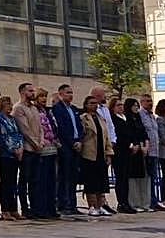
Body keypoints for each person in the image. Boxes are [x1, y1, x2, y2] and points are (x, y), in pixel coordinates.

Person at [78, 95, 113, 216]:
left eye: (96, 103)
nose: (94, 105)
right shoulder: (83, 118)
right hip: (89, 153)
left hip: (101, 153)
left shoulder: (101, 118)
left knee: (101, 181)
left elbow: (106, 137)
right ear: (86, 105)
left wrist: (109, 153)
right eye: (91, 103)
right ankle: (92, 206)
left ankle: (100, 204)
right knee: (90, 181)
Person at [51, 84, 82, 216]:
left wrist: (79, 139)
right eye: (67, 93)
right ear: (60, 94)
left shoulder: (74, 109)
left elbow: (79, 127)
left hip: (76, 145)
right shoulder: (57, 109)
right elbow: (61, 128)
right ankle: (63, 203)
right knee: (64, 176)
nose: (70, 95)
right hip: (65, 146)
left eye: (71, 92)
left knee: (74, 176)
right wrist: (71, 142)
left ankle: (72, 203)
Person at [11, 83, 40, 218]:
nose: (33, 93)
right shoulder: (18, 108)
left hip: (37, 149)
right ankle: (24, 208)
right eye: (30, 90)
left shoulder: (34, 108)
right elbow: (25, 129)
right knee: (24, 180)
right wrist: (35, 144)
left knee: (35, 180)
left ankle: (35, 206)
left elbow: (39, 128)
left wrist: (41, 142)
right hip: (28, 149)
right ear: (22, 92)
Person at [0, 96, 23, 220]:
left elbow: (18, 133)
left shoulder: (12, 119)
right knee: (6, 182)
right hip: (6, 154)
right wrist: (12, 149)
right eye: (6, 104)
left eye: (10, 104)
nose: (10, 107)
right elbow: (2, 137)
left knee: (13, 182)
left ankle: (14, 209)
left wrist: (20, 148)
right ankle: (5, 209)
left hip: (16, 154)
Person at [32, 87, 60, 219]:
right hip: (41, 148)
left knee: (51, 180)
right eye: (41, 96)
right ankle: (41, 208)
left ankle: (51, 207)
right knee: (41, 180)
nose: (43, 99)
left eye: (45, 96)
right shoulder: (34, 111)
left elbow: (53, 127)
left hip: (52, 148)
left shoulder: (47, 112)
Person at [108, 98, 138, 214]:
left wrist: (135, 144)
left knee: (126, 177)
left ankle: (126, 201)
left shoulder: (126, 118)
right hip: (120, 151)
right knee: (120, 178)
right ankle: (121, 202)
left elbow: (132, 133)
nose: (120, 107)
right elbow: (119, 135)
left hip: (128, 152)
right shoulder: (114, 119)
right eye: (118, 105)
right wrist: (129, 144)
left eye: (121, 105)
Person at [120, 98, 151, 212]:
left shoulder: (138, 118)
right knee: (133, 178)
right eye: (134, 106)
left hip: (142, 149)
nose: (136, 108)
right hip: (133, 150)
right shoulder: (127, 118)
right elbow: (130, 134)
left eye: (137, 106)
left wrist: (146, 146)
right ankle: (134, 202)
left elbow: (144, 133)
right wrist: (136, 145)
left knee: (143, 177)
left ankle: (144, 202)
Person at [139, 94, 164, 211]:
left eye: (151, 101)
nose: (150, 103)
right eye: (147, 101)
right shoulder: (140, 115)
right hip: (147, 151)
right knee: (148, 177)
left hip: (155, 150)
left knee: (154, 177)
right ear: (142, 102)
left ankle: (154, 200)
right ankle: (148, 200)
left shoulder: (152, 116)